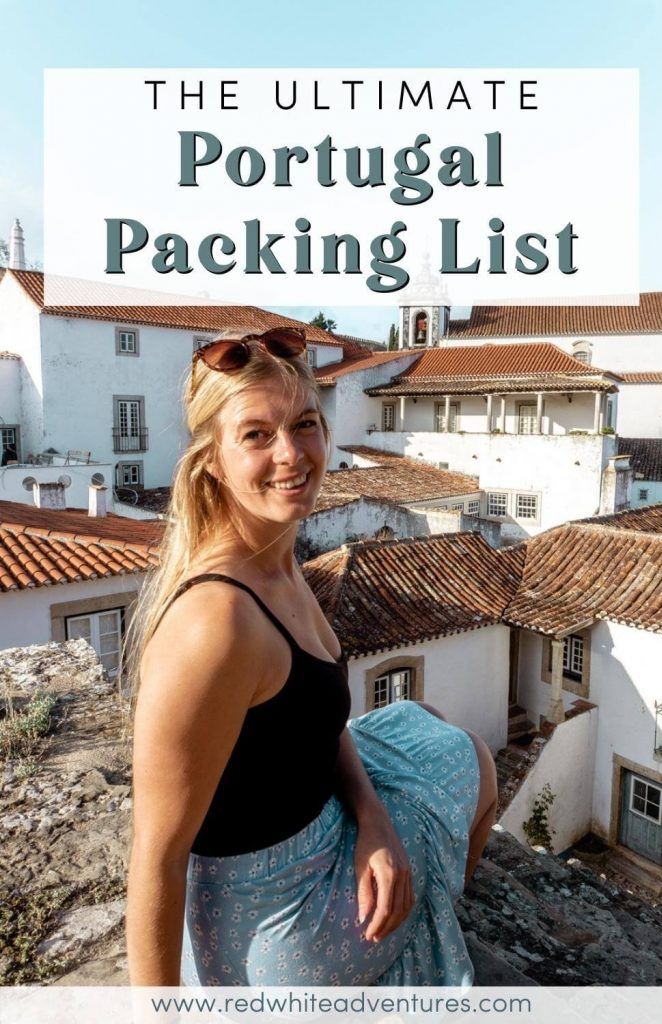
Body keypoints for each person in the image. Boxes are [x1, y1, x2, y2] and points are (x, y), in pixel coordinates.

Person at [126, 327, 497, 987]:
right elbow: (155, 859)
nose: (292, 454)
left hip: (313, 847)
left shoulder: (274, 560)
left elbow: (316, 727)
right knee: (473, 759)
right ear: (211, 458)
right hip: (277, 924)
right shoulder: (216, 622)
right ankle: (407, 933)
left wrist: (372, 820)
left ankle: (400, 920)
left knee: (425, 716)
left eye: (304, 425)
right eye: (256, 435)